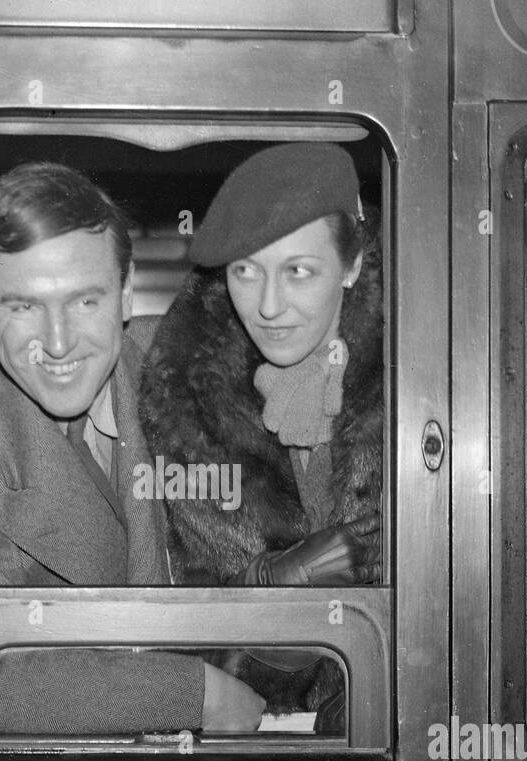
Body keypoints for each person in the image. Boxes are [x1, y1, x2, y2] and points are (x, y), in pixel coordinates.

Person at [0, 161, 264, 734]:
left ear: (124, 294)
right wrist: (198, 699)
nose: (60, 341)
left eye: (85, 301)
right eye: (23, 306)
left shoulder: (190, 370)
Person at [139, 143, 385, 730]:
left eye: (298, 271)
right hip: (258, 741)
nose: (269, 307)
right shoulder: (182, 395)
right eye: (246, 271)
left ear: (351, 265)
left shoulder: (434, 367)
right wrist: (267, 589)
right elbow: (169, 634)